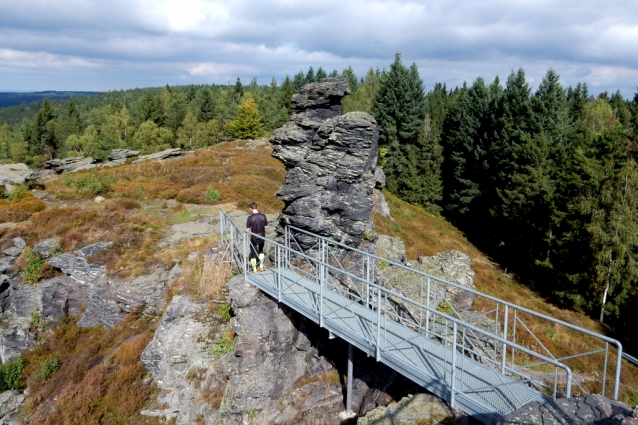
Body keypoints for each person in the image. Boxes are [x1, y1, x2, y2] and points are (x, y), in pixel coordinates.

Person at [246, 201, 268, 273]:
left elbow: (247, 229)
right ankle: (261, 267)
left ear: (251, 209)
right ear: (257, 207)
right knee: (261, 250)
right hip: (262, 236)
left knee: (253, 253)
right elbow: (266, 226)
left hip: (254, 237)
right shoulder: (263, 216)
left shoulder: (250, 218)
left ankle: (254, 269)